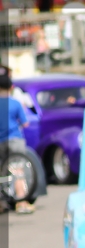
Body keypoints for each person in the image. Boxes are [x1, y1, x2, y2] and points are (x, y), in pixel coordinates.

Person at [0, 75, 33, 213]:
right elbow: (25, 123)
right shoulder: (15, 103)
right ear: (11, 88)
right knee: (18, 169)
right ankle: (21, 201)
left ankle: (1, 204)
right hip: (15, 139)